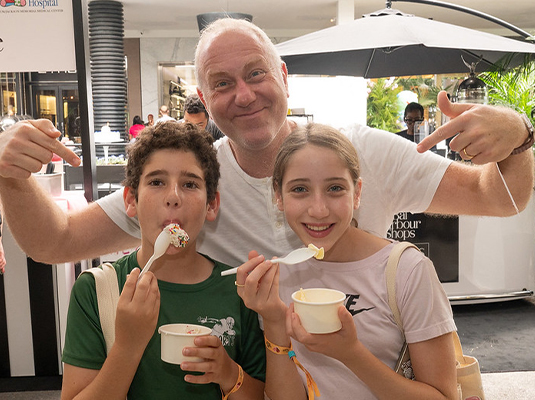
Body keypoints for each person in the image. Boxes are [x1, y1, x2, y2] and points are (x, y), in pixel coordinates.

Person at [0, 18, 532, 270]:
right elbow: (57, 243)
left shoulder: (363, 151)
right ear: (205, 99)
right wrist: (10, 174)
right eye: (223, 84)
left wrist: (521, 136)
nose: (245, 95)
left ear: (283, 76)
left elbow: (497, 196)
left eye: (256, 74)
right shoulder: (193, 180)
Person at [237, 123, 458, 399]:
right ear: (278, 197)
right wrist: (273, 320)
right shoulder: (281, 275)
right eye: (300, 190)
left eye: (335, 188)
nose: (318, 209)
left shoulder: (407, 271)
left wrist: (351, 353)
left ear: (358, 193)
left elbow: (445, 396)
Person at [60, 121, 265, 400]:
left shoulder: (237, 289)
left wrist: (229, 373)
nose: (173, 197)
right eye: (156, 182)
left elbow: (260, 393)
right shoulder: (95, 290)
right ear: (131, 200)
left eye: (190, 184)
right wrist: (128, 346)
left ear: (212, 205)